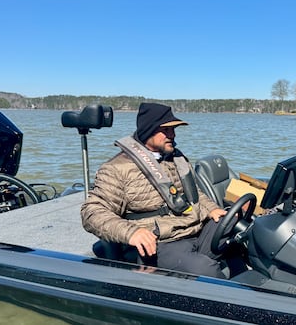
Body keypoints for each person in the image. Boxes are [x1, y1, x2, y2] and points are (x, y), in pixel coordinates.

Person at [81, 103, 228, 278]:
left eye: (173, 130)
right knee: (205, 270)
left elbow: (194, 193)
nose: (172, 135)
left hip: (192, 228)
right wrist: (132, 232)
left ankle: (254, 287)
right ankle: (235, 302)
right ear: (148, 130)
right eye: (166, 130)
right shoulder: (117, 169)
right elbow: (92, 212)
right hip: (162, 243)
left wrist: (212, 208)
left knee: (239, 229)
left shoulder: (175, 157)